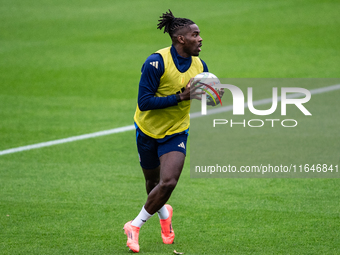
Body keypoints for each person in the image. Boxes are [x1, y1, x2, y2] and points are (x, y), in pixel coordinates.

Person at [124, 9, 212, 253]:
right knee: (152, 182)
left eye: (200, 34)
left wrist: (211, 95)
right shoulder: (156, 62)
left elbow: (201, 93)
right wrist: (180, 97)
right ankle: (164, 214)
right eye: (195, 35)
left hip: (176, 131)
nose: (200, 38)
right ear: (180, 39)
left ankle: (134, 225)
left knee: (169, 181)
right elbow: (145, 102)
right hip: (147, 129)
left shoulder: (200, 65)